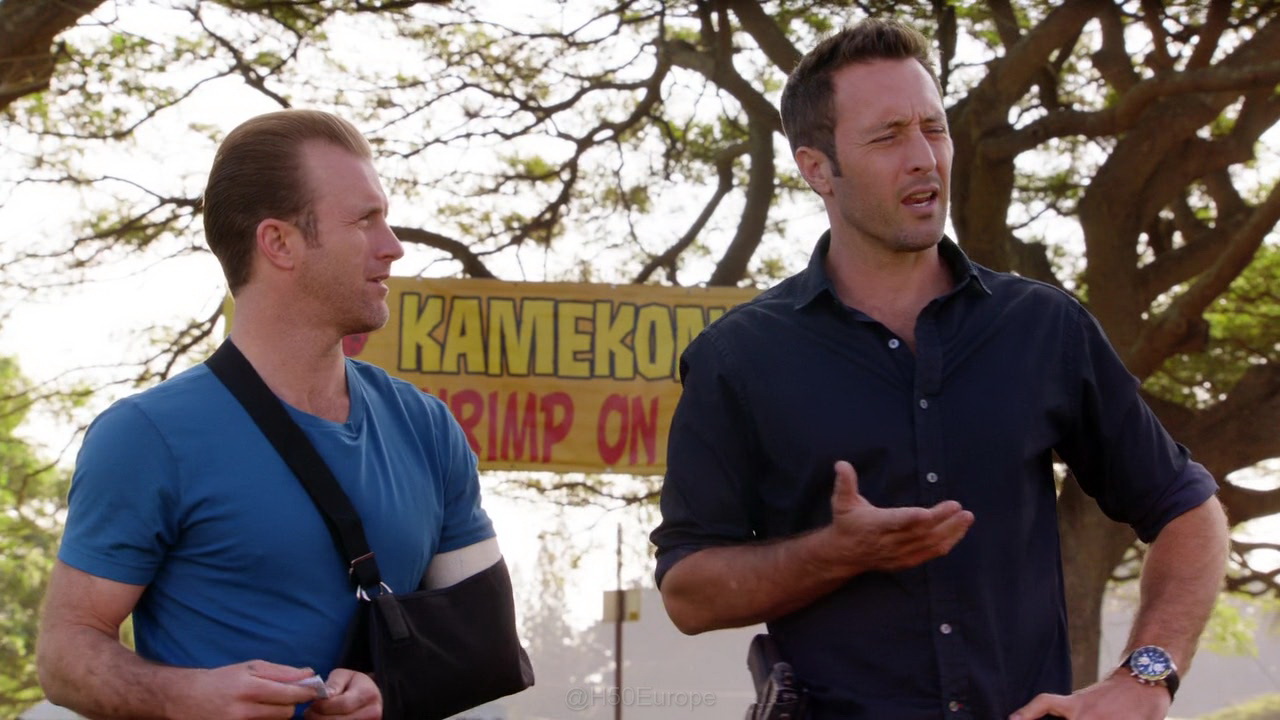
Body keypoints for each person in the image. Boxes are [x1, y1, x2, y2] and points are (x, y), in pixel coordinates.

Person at [650, 18, 1228, 720]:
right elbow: (688, 593)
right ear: (816, 168)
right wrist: (838, 553)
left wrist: (1147, 676)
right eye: (889, 136)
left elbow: (1187, 510)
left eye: (934, 128)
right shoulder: (738, 359)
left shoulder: (1043, 327)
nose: (924, 157)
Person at [37, 109, 502, 719]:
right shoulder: (146, 437)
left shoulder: (428, 427)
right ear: (279, 243)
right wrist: (185, 697)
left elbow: (484, 644)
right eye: (365, 220)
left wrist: (391, 692)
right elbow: (65, 654)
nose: (392, 246)